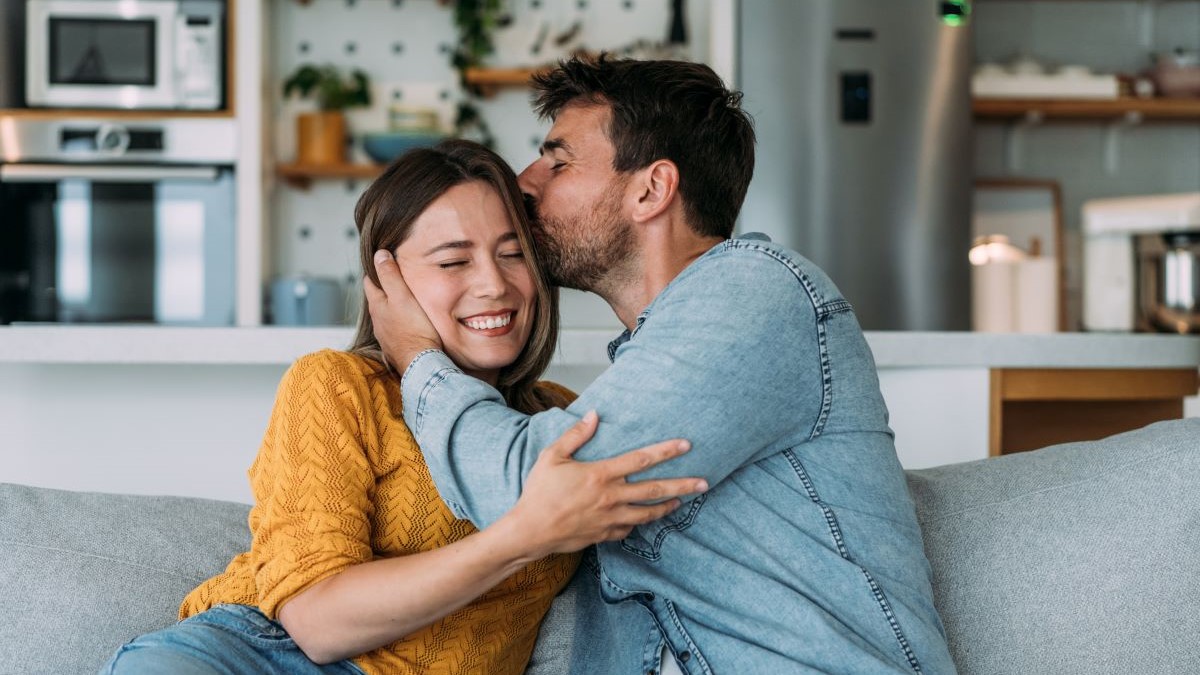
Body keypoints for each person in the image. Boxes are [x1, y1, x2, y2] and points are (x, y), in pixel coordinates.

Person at [366, 56, 958, 674]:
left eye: (558, 161)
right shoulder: (659, 361)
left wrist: (418, 359)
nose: (525, 182)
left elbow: (528, 493)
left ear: (651, 190)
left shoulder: (754, 294)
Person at [100, 140, 706, 675]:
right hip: (262, 654)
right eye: (452, 261)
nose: (494, 284)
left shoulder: (562, 421)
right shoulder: (338, 386)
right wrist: (523, 535)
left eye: (513, 253)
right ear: (385, 283)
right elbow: (317, 624)